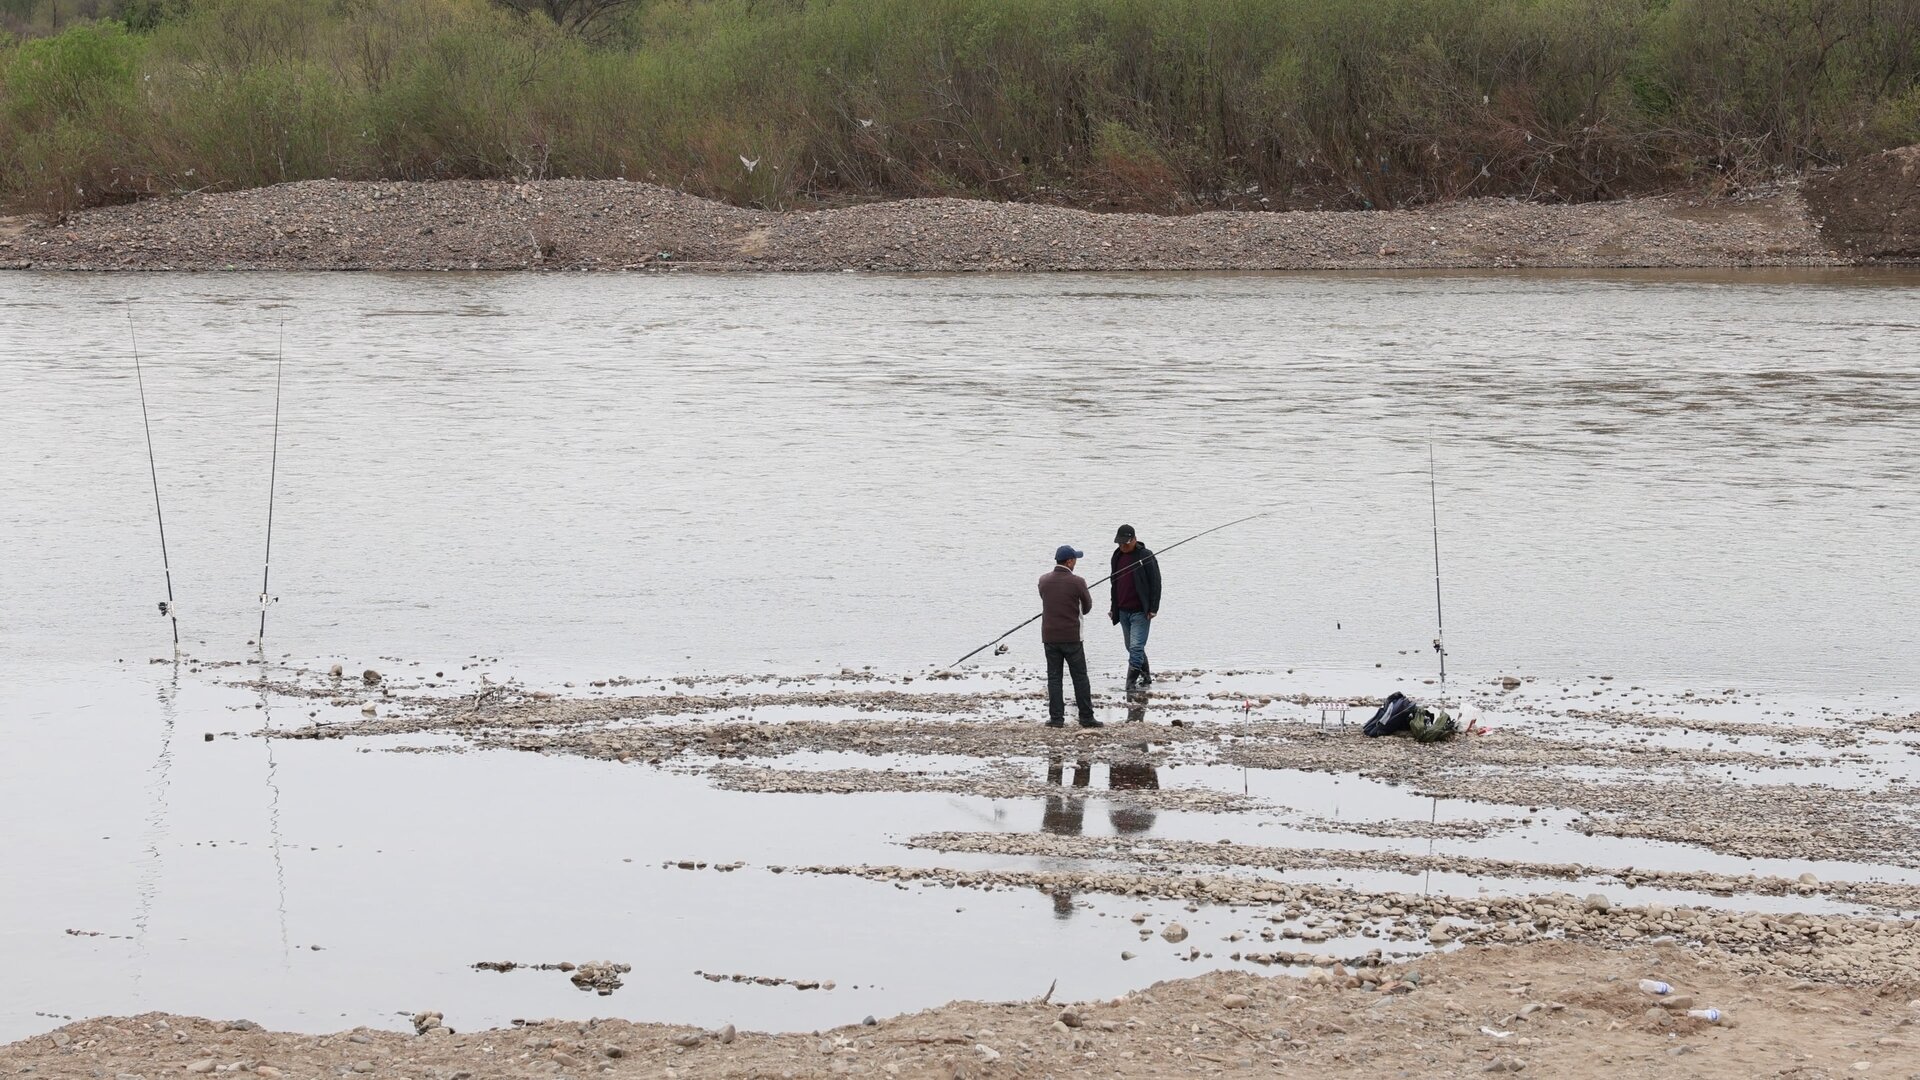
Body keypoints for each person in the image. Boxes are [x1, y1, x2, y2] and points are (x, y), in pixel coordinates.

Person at [1038, 545, 1102, 728]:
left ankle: (1057, 719)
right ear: (1069, 561)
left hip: (1049, 637)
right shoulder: (1078, 582)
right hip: (1072, 637)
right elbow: (1087, 606)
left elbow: (1046, 598)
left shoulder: (1043, 580)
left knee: (1054, 678)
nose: (1076, 562)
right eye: (1075, 559)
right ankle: (1086, 717)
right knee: (1080, 677)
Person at [1108, 525, 1163, 692]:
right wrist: (1113, 608)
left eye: (1125, 543)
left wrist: (1153, 608)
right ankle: (1146, 676)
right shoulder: (1117, 556)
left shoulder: (1145, 556)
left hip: (1141, 611)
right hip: (1123, 610)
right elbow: (1114, 584)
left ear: (1134, 539)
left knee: (1136, 647)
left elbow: (1156, 583)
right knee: (1130, 646)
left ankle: (1130, 684)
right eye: (1120, 543)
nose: (1122, 547)